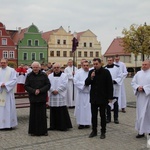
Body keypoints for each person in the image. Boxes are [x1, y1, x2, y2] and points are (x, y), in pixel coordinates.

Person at [85, 58, 113, 139]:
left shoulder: (106, 72)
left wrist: (110, 97)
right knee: (93, 116)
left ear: (100, 64)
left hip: (103, 98)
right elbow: (86, 83)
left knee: (102, 115)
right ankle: (94, 131)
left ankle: (103, 131)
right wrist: (91, 77)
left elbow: (109, 85)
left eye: (96, 64)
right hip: (94, 98)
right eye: (94, 64)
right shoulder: (91, 72)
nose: (95, 66)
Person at [24, 61, 50, 136]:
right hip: (33, 97)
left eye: (36, 67)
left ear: (39, 67)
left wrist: (40, 90)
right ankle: (33, 131)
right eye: (34, 67)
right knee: (33, 115)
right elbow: (26, 86)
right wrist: (33, 91)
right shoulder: (29, 76)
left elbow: (48, 85)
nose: (35, 69)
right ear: (32, 68)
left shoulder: (44, 75)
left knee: (42, 115)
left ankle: (43, 131)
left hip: (41, 97)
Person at [48, 63, 72, 131]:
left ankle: (62, 126)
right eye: (55, 67)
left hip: (60, 95)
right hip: (53, 95)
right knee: (53, 110)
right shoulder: (50, 76)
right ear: (53, 68)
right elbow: (48, 84)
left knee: (61, 110)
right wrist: (52, 90)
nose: (56, 69)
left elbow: (64, 84)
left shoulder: (64, 76)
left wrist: (58, 90)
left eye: (57, 67)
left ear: (60, 68)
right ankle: (53, 125)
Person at [131, 60, 150, 138]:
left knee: (148, 114)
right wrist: (137, 87)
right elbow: (133, 83)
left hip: (148, 97)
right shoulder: (138, 73)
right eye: (143, 64)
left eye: (145, 64)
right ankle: (141, 132)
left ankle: (149, 130)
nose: (144, 66)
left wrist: (145, 88)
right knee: (140, 115)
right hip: (140, 98)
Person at [0, 58, 18, 130]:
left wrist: (6, 85)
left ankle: (9, 124)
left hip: (8, 93)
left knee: (8, 109)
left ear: (7, 63)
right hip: (0, 92)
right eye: (1, 63)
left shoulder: (11, 70)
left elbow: (14, 80)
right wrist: (1, 84)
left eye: (4, 63)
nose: (2, 64)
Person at [104, 57, 122, 124]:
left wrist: (114, 81)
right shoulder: (105, 68)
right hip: (107, 89)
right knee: (108, 104)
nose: (109, 61)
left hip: (115, 87)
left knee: (115, 103)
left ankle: (116, 118)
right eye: (108, 60)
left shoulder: (117, 68)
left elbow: (120, 76)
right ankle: (108, 118)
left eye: (110, 60)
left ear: (113, 61)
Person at [74, 61, 91, 129]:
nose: (86, 67)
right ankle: (81, 123)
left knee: (88, 109)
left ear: (88, 66)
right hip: (81, 94)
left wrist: (88, 84)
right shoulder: (79, 73)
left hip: (89, 94)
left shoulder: (91, 73)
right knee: (80, 109)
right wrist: (84, 83)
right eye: (84, 65)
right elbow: (75, 81)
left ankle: (87, 123)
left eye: (87, 65)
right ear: (82, 66)